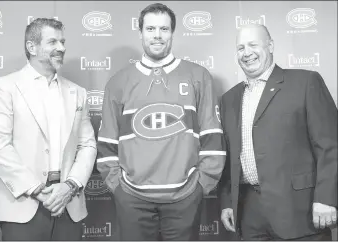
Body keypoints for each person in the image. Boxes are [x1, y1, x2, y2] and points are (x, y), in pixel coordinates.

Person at [97, 3, 226, 241]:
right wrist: (119, 187)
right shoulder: (118, 82)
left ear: (172, 33)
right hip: (132, 199)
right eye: (151, 29)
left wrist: (200, 185)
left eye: (164, 29)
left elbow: (213, 137)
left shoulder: (198, 76)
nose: (157, 35)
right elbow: (106, 144)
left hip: (185, 198)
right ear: (140, 32)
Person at [0, 18, 97, 241]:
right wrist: (37, 190)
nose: (61, 48)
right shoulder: (4, 87)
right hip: (23, 205)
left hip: (68, 204)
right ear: (31, 47)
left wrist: (70, 186)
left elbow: (87, 144)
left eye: (62, 42)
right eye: (52, 41)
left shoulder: (77, 92)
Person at [219, 24, 337, 240]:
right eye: (240, 48)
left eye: (253, 45)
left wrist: (327, 198)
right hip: (248, 213)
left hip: (300, 211)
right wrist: (228, 202)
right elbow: (228, 158)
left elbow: (330, 145)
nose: (246, 53)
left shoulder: (305, 82)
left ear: (270, 45)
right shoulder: (229, 99)